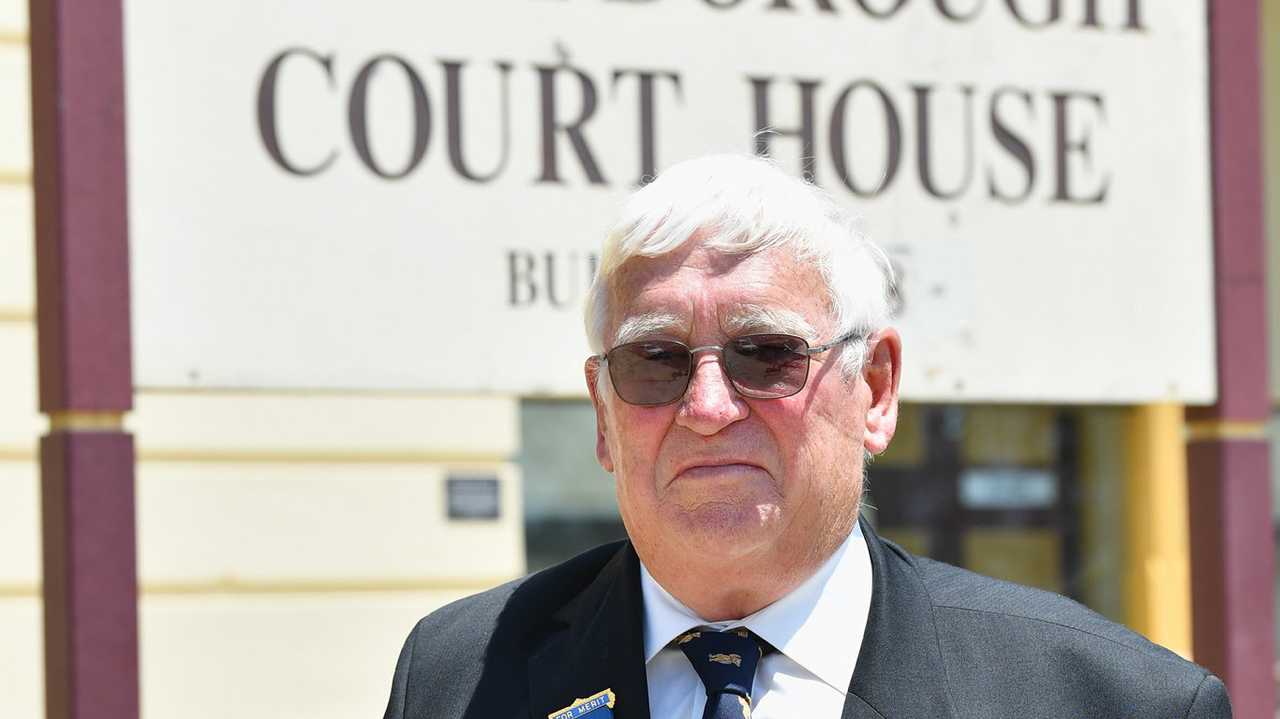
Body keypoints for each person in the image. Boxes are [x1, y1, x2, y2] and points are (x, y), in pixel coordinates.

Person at [382, 154, 1231, 719]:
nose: (708, 406)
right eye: (655, 361)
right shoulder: (458, 677)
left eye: (766, 353)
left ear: (877, 389)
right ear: (603, 413)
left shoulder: (1111, 702)